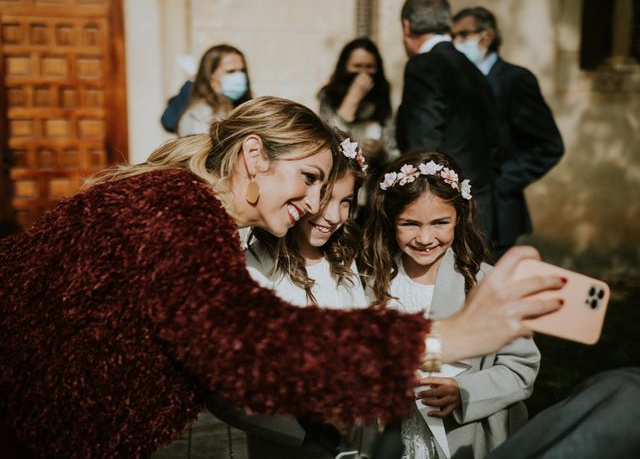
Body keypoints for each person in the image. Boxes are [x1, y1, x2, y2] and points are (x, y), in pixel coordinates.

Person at [0, 96, 564, 458]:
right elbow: (250, 347)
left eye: (328, 188)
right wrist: (454, 336)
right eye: (310, 177)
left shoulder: (182, 208)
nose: (315, 202)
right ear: (253, 155)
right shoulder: (172, 207)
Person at [361, 151, 540, 458]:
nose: (425, 237)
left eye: (440, 222)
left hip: (466, 441)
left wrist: (465, 394)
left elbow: (521, 368)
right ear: (391, 220)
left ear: (460, 216)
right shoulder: (372, 282)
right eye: (410, 224)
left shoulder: (487, 284)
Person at [212, 133, 373, 459]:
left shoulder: (343, 261)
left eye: (345, 202)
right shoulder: (256, 266)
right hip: (288, 442)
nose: (333, 216)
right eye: (326, 199)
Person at [452, 7, 564, 258]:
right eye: (453, 36)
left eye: (463, 34)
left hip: (499, 215)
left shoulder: (515, 80)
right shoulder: (459, 80)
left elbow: (548, 146)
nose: (456, 42)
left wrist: (502, 183)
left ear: (487, 35)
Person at [395, 0, 500, 238]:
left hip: (443, 211)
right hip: (481, 203)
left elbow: (423, 147)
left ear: (406, 26)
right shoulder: (473, 70)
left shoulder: (424, 65)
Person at [318, 38, 398, 175]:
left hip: (372, 179)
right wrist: (352, 98)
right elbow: (329, 139)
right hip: (341, 174)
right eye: (357, 66)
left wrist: (381, 153)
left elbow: (394, 152)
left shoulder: (381, 98)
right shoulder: (329, 96)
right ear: (345, 67)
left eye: (369, 66)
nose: (363, 73)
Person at [176, 44, 252, 136]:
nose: (239, 76)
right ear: (210, 75)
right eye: (231, 71)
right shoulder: (200, 116)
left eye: (242, 71)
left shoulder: (241, 108)